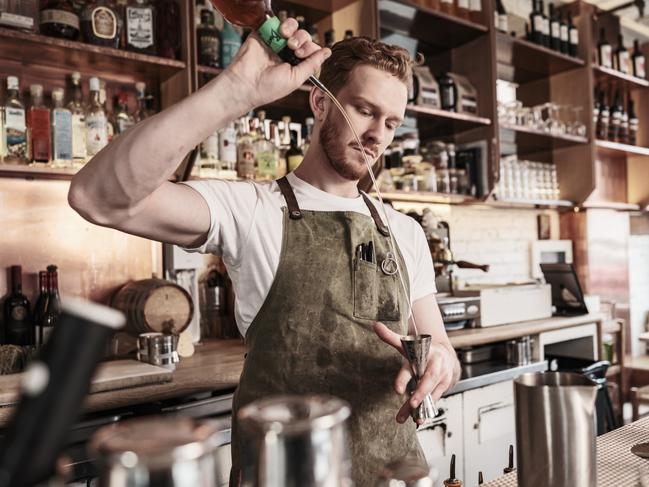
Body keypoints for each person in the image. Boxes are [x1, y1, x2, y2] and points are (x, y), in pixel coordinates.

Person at [68, 18, 460, 487]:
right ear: (320, 102)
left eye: (391, 122)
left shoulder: (405, 231)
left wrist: (438, 363)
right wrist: (236, 91)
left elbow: (441, 350)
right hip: (284, 475)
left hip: (396, 474)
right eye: (364, 110)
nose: (378, 134)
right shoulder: (252, 210)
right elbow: (98, 197)